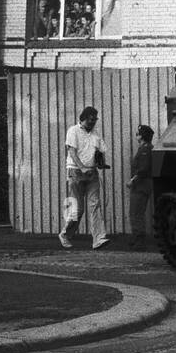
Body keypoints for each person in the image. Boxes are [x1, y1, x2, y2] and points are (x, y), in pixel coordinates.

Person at [60, 105, 112, 250]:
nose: (92, 123)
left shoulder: (95, 134)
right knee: (78, 210)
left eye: (94, 120)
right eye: (90, 120)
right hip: (76, 172)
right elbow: (72, 152)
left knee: (95, 205)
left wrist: (101, 162)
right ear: (82, 119)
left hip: (92, 173)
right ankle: (65, 235)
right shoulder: (73, 131)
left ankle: (98, 239)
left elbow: (101, 150)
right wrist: (82, 167)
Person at [128, 124, 155, 250]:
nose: (136, 136)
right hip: (141, 185)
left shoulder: (145, 149)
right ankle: (136, 239)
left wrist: (133, 180)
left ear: (142, 136)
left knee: (136, 213)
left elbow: (143, 169)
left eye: (138, 134)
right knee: (136, 212)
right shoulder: (144, 148)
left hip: (141, 186)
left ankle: (139, 242)